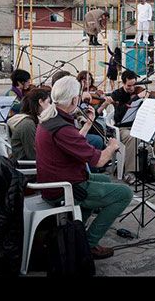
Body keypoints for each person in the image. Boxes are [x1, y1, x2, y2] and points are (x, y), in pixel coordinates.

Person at [35, 76, 132, 260]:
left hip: (56, 181)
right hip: (63, 188)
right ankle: (89, 243)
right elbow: (98, 162)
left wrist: (88, 125)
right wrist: (111, 147)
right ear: (74, 100)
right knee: (124, 194)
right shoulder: (62, 127)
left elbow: (72, 143)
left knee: (103, 180)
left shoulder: (51, 119)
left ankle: (77, 230)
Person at [109, 70, 155, 184]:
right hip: (122, 128)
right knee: (132, 138)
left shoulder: (139, 91)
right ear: (123, 83)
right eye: (129, 86)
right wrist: (134, 99)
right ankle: (130, 172)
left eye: (134, 85)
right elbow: (118, 115)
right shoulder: (117, 94)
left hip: (139, 125)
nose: (132, 88)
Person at [7, 88, 51, 161]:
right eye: (48, 102)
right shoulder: (27, 124)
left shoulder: (27, 120)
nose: (50, 106)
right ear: (40, 102)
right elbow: (33, 154)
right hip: (26, 164)